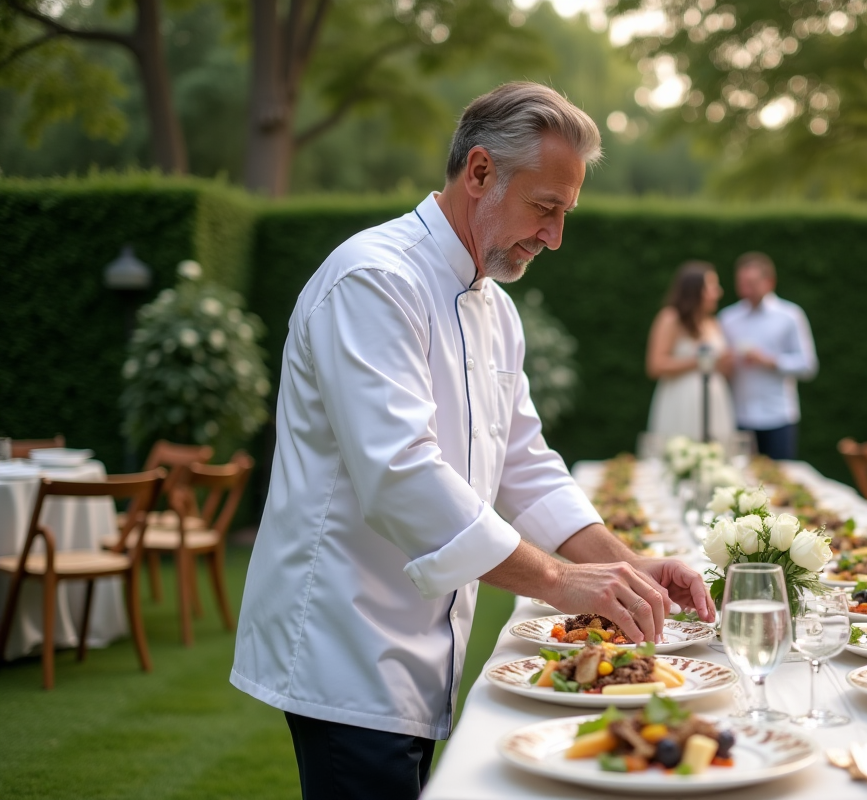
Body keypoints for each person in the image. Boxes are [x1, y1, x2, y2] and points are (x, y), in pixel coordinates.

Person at [230, 83, 715, 799]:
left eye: (565, 213)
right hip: (349, 641)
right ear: (480, 172)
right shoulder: (374, 280)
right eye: (546, 209)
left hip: (427, 638)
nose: (555, 236)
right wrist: (556, 581)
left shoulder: (497, 307)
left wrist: (626, 565)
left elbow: (525, 463)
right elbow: (400, 475)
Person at [718, 252, 818, 460]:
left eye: (751, 283)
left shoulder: (790, 316)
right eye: (741, 283)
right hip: (739, 415)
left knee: (780, 481)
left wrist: (770, 361)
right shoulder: (727, 318)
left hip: (778, 415)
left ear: (769, 282)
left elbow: (808, 366)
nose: (745, 289)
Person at [645, 260, 737, 444]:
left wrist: (726, 364)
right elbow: (655, 365)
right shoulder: (670, 318)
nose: (718, 292)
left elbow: (722, 368)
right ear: (695, 289)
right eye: (712, 286)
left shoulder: (713, 323)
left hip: (715, 400)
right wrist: (700, 360)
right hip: (680, 400)